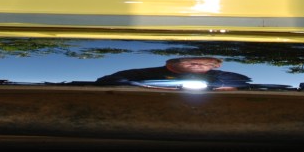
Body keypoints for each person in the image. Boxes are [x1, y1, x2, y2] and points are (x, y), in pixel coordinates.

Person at [95, 56, 250, 90]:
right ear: (170, 63)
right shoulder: (141, 73)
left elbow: (243, 84)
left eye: (207, 63)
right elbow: (106, 81)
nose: (198, 64)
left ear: (215, 65)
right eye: (190, 61)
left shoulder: (225, 76)